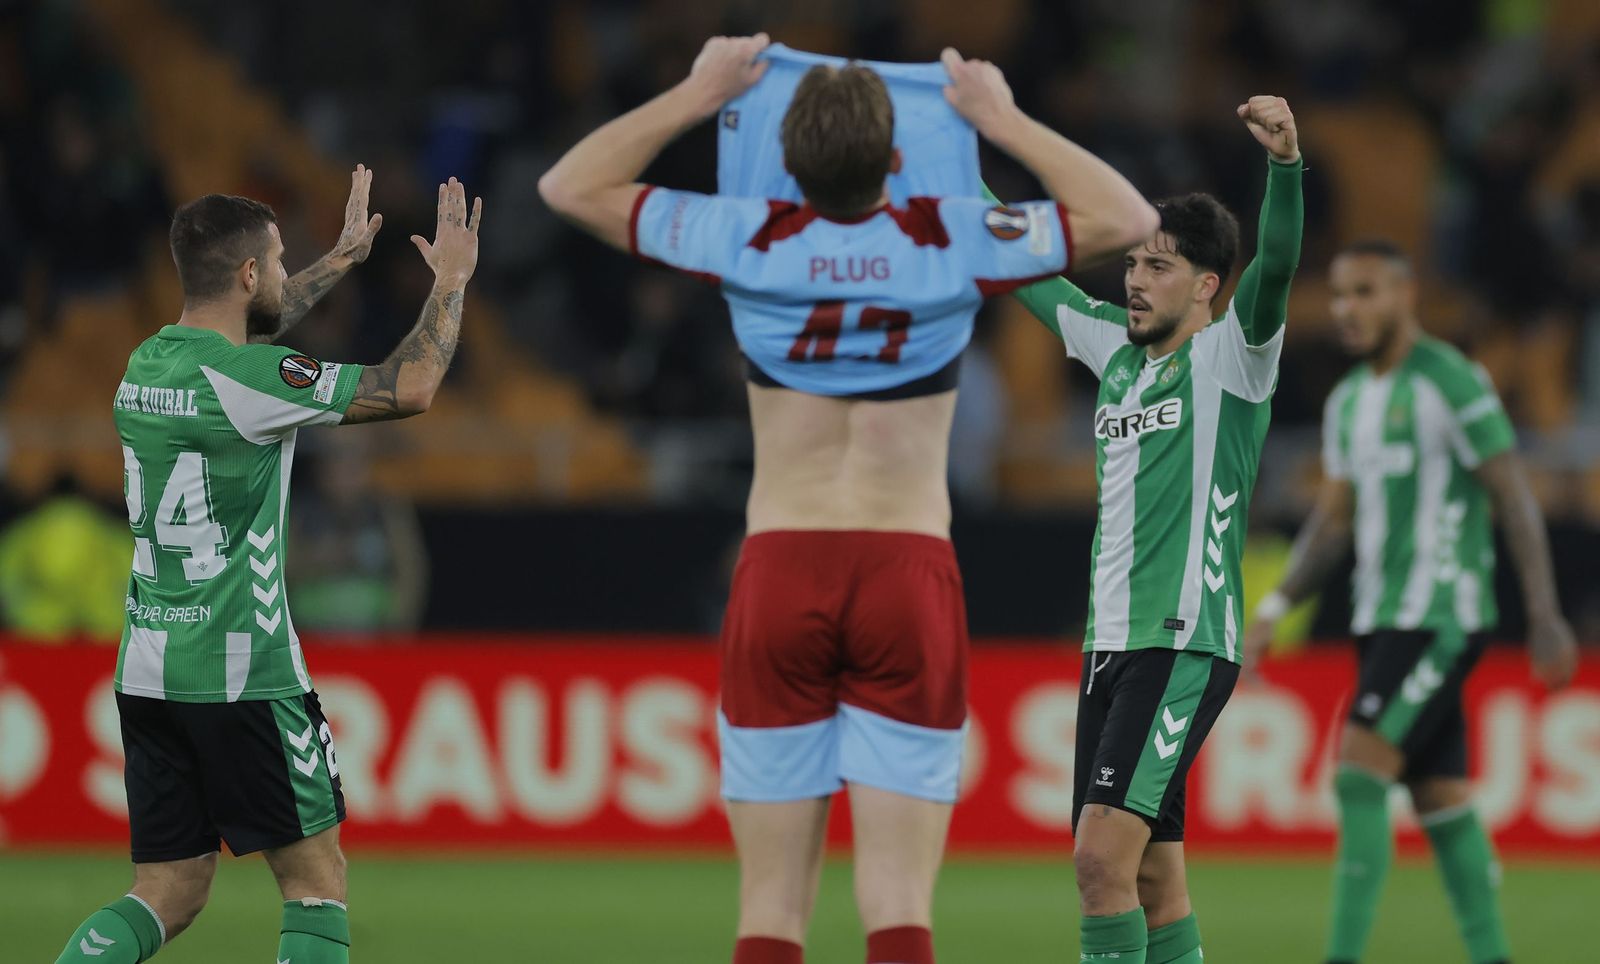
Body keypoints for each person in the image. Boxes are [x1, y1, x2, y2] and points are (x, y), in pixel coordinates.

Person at [540, 35, 1156, 964]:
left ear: (786, 158)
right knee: (899, 903)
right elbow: (1125, 214)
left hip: (782, 562)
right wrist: (1001, 118)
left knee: (770, 909)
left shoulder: (747, 232)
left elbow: (568, 188)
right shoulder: (952, 236)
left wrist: (698, 95)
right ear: (899, 155)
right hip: (906, 564)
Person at [55, 168, 482, 964]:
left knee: (169, 889)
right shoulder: (250, 382)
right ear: (248, 273)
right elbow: (411, 387)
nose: (288, 274)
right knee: (316, 881)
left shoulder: (144, 365)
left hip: (149, 668)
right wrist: (450, 285)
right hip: (245, 671)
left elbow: (252, 336)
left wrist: (342, 258)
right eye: (282, 261)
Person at [998, 95, 1303, 963]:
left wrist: (1284, 166)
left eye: (1159, 265)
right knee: (1153, 882)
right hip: (1109, 646)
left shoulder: (1231, 359)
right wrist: (943, 162)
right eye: (1133, 260)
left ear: (1207, 286)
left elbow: (1275, 265)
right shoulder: (1112, 352)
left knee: (1099, 859)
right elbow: (1020, 264)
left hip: (1182, 642)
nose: (1134, 278)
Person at [1243, 239, 1579, 964]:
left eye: (1365, 292)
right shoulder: (1349, 401)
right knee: (1442, 801)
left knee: (1357, 774)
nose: (1347, 310)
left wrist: (1546, 613)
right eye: (1339, 294)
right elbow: (1334, 520)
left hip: (1440, 616)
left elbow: (1513, 496)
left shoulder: (1451, 381)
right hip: (1380, 618)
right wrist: (1273, 609)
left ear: (1405, 295)